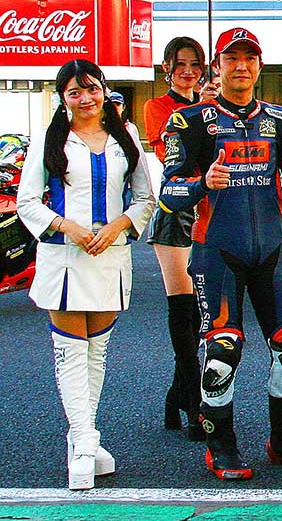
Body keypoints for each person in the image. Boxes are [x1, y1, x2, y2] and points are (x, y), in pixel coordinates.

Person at [159, 27, 282, 480]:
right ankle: (221, 447)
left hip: (272, 251)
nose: (241, 66)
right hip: (216, 251)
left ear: (260, 65)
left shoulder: (280, 119)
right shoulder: (188, 121)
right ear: (217, 66)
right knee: (222, 351)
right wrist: (202, 184)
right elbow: (168, 193)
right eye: (231, 58)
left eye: (249, 58)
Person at [17, 59, 154, 490]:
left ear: (104, 90)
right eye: (74, 92)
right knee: (71, 351)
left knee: (97, 353)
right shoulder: (49, 139)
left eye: (91, 89)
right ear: (63, 98)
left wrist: (117, 227)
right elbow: (27, 202)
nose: (85, 99)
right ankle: (83, 443)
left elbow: (146, 199)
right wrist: (68, 227)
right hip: (64, 258)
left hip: (110, 258)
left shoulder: (125, 136)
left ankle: (84, 440)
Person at [141, 36, 208, 442]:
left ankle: (176, 394)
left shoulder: (213, 106)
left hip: (211, 211)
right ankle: (194, 399)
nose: (188, 71)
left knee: (204, 314)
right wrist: (202, 111)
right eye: (180, 64)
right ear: (167, 67)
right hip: (176, 209)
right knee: (183, 310)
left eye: (195, 64)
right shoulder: (158, 106)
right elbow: (171, 154)